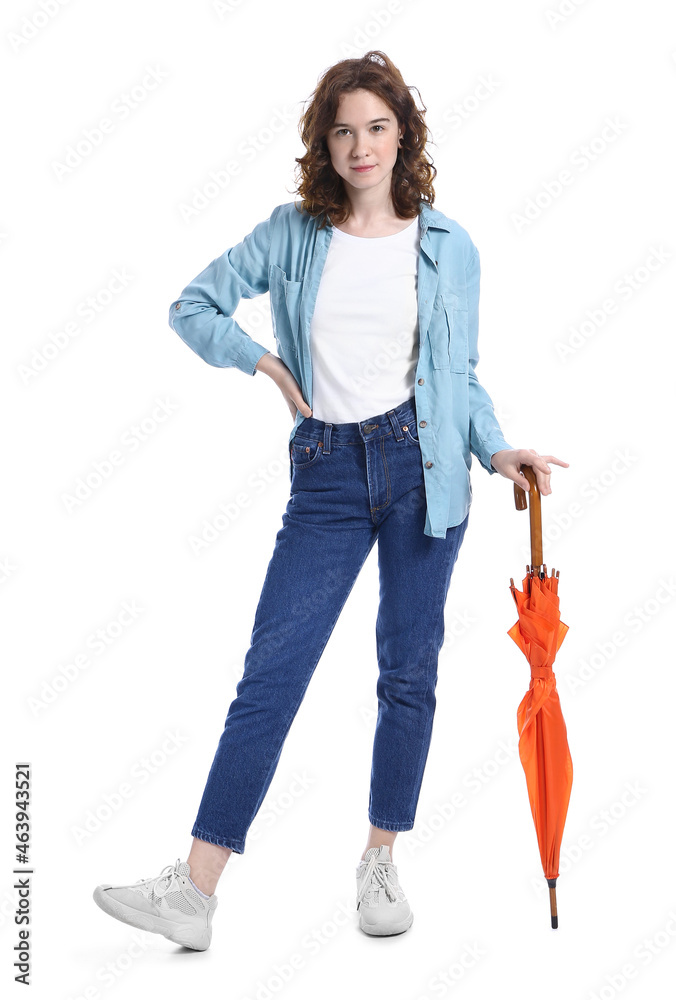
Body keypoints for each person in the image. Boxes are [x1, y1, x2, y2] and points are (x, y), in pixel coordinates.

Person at [93, 50, 568, 951]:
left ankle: (380, 860)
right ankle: (194, 893)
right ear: (326, 141)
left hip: (424, 467)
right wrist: (266, 365)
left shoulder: (448, 244)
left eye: (377, 127)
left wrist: (497, 448)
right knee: (271, 675)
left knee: (408, 673)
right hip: (328, 473)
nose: (361, 146)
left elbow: (459, 375)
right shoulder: (291, 233)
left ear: (403, 136)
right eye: (344, 129)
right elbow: (193, 305)